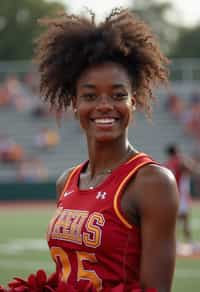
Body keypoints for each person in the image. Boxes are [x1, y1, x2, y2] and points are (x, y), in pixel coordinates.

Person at [0, 8, 178, 292]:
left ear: (134, 101)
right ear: (74, 103)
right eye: (90, 95)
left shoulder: (152, 182)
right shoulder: (66, 181)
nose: (105, 105)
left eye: (118, 95)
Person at [164, 144, 200, 243]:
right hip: (180, 194)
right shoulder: (179, 161)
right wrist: (193, 162)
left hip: (170, 194)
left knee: (178, 219)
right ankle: (185, 241)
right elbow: (192, 170)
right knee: (183, 219)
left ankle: (181, 241)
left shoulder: (167, 163)